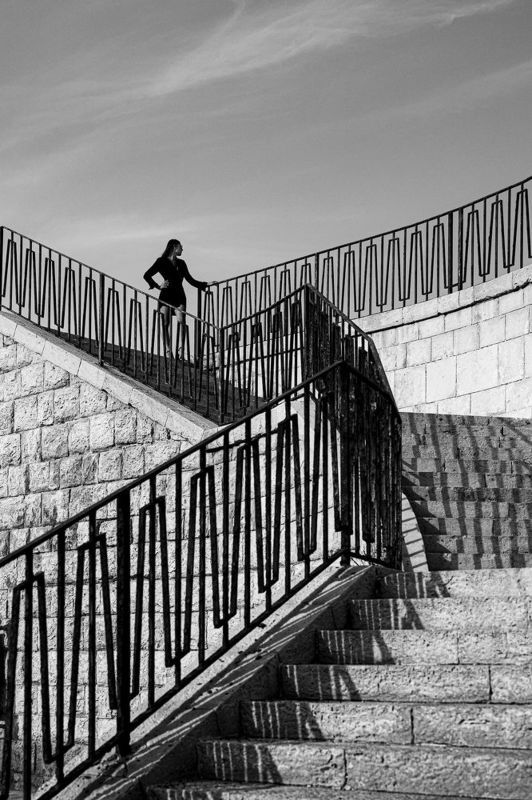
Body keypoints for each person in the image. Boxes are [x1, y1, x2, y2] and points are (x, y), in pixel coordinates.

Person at [143, 239, 209, 359]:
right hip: (166, 295)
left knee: (181, 322)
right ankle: (168, 351)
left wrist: (205, 284)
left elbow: (190, 279)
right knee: (165, 323)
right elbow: (147, 275)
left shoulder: (181, 263)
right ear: (174, 247)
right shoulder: (161, 261)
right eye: (180, 247)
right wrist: (158, 286)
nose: (182, 249)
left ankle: (180, 350)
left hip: (179, 295)